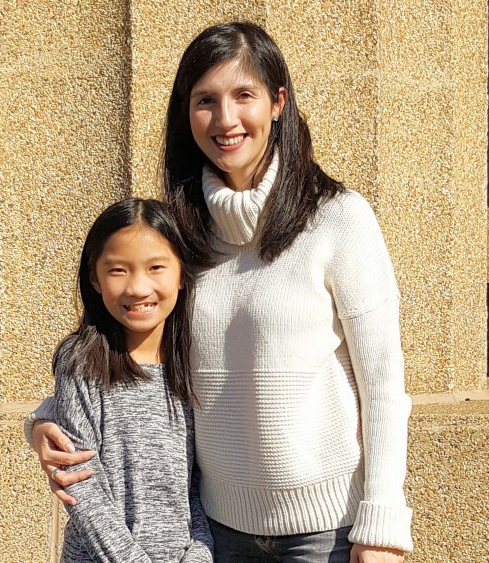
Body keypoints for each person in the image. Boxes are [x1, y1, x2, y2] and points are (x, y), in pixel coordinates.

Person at [26, 22, 413, 562]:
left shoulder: (339, 219)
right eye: (206, 100)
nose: (226, 119)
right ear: (186, 113)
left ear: (278, 103)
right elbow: (134, 350)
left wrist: (382, 525)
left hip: (327, 535)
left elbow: (384, 383)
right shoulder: (181, 233)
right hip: (217, 534)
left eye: (244, 95)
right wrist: (44, 421)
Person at [41, 197, 213, 562]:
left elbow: (199, 485)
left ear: (181, 273)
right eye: (118, 270)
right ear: (95, 277)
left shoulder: (195, 364)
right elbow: (80, 483)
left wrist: (200, 552)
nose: (137, 287)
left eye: (156, 267)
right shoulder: (81, 362)